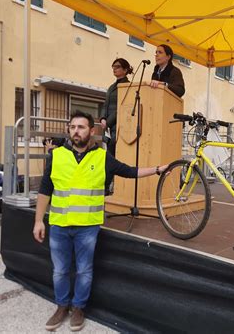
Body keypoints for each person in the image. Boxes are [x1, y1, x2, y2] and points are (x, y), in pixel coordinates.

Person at [32, 110, 167, 332]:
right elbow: (45, 190)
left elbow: (130, 171)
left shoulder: (102, 157)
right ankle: (61, 306)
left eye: (81, 127)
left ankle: (78, 308)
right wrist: (39, 221)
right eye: (73, 127)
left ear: (91, 131)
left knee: (84, 270)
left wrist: (157, 170)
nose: (76, 131)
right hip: (59, 225)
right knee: (60, 271)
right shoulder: (55, 156)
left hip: (88, 227)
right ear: (69, 129)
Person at [100, 58, 133, 156]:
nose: (114, 69)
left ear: (125, 70)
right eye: (113, 67)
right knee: (108, 154)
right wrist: (102, 118)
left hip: (119, 126)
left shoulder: (128, 86)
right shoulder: (111, 87)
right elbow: (105, 104)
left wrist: (108, 122)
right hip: (108, 127)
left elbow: (122, 107)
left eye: (117, 67)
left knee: (116, 154)